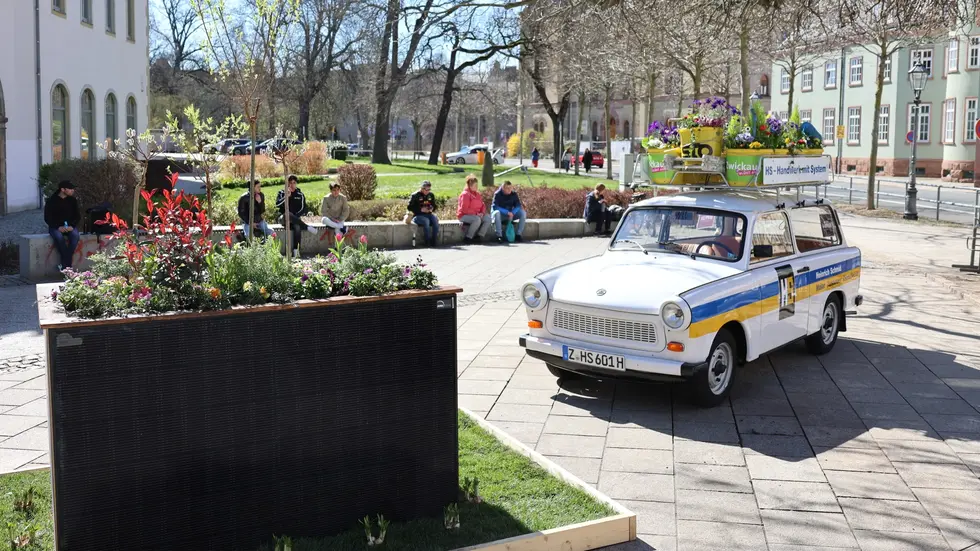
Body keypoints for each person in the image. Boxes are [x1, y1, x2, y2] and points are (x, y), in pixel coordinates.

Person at [44, 180, 81, 270]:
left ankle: (65, 265)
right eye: (70, 189)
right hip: (55, 227)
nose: (73, 191)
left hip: (69, 226)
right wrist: (58, 227)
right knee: (59, 239)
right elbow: (47, 217)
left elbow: (77, 216)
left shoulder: (72, 200)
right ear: (63, 189)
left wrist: (71, 226)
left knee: (75, 236)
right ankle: (67, 266)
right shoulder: (51, 201)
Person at [276, 174, 316, 256]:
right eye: (290, 183)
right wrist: (286, 197)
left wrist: (295, 217)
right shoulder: (282, 192)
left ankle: (296, 251)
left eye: (294, 183)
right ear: (287, 184)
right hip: (283, 218)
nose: (292, 185)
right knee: (288, 213)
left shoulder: (300, 194)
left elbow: (303, 209)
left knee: (297, 227)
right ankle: (306, 226)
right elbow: (277, 205)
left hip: (295, 220)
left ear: (296, 183)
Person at [457, 175, 492, 244]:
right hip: (464, 215)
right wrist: (476, 214)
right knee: (476, 219)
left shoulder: (477, 194)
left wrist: (482, 213)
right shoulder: (465, 195)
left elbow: (482, 205)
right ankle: (468, 237)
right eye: (475, 185)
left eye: (477, 185)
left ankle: (479, 236)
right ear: (470, 186)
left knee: (488, 218)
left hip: (477, 214)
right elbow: (464, 209)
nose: (477, 187)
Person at [407, 180, 439, 246]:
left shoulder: (431, 195)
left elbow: (434, 205)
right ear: (422, 188)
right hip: (417, 216)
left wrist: (432, 208)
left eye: (429, 189)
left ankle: (434, 241)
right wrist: (421, 210)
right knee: (426, 221)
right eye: (426, 190)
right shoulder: (415, 195)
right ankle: (427, 241)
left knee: (435, 219)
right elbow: (409, 207)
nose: (428, 191)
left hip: (428, 214)